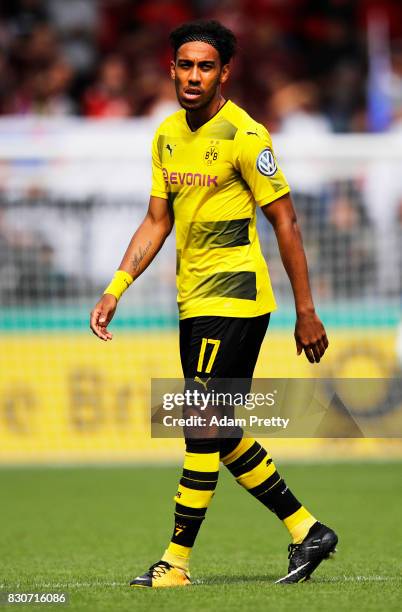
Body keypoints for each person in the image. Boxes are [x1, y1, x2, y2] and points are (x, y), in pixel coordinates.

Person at [90, 20, 337, 587]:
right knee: (218, 428)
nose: (194, 75)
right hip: (193, 300)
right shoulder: (167, 135)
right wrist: (116, 287)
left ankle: (174, 564)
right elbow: (157, 221)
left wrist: (306, 310)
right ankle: (307, 529)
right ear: (170, 68)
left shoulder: (246, 137)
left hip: (235, 297)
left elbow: (286, 222)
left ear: (225, 72)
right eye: (185, 64)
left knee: (200, 425)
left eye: (206, 66)